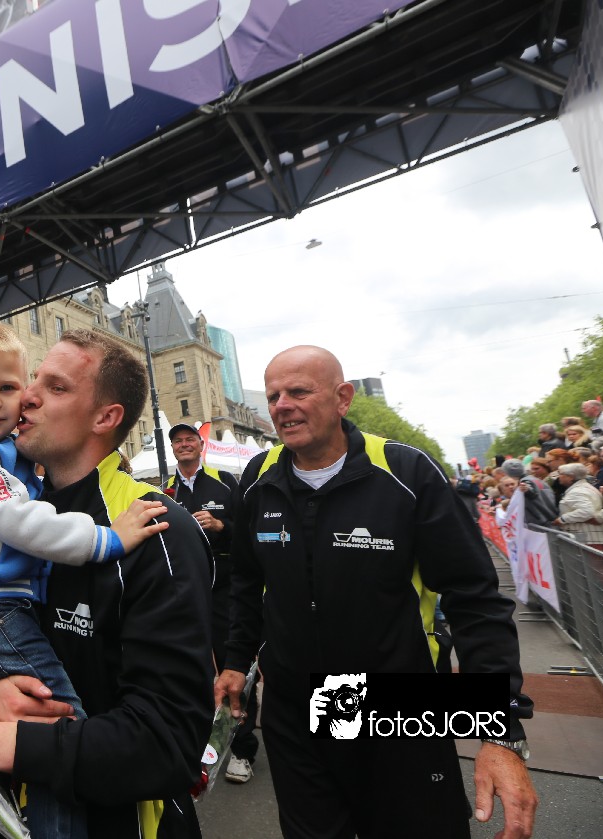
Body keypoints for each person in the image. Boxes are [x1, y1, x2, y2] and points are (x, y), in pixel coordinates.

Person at [0, 328, 216, 839]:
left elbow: (170, 744)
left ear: (105, 418)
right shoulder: (11, 503)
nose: (26, 396)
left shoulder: (155, 526)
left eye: (55, 387)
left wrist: (1, 743)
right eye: (33, 380)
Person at [217, 345, 537, 839]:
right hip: (295, 705)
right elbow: (245, 580)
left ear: (343, 398)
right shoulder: (258, 478)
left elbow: (474, 597)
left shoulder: (406, 471)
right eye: (274, 395)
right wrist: (237, 660)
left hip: (398, 703)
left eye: (299, 391)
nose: (282, 405)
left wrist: (501, 732)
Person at [162, 422, 258, 784]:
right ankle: (201, 744)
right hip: (185, 593)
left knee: (234, 666)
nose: (184, 445)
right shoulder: (166, 490)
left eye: (190, 439)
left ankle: (243, 750)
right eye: (178, 441)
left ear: (200, 445)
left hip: (224, 591)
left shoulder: (225, 482)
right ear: (173, 449)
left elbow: (246, 530)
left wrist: (220, 525)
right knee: (190, 668)